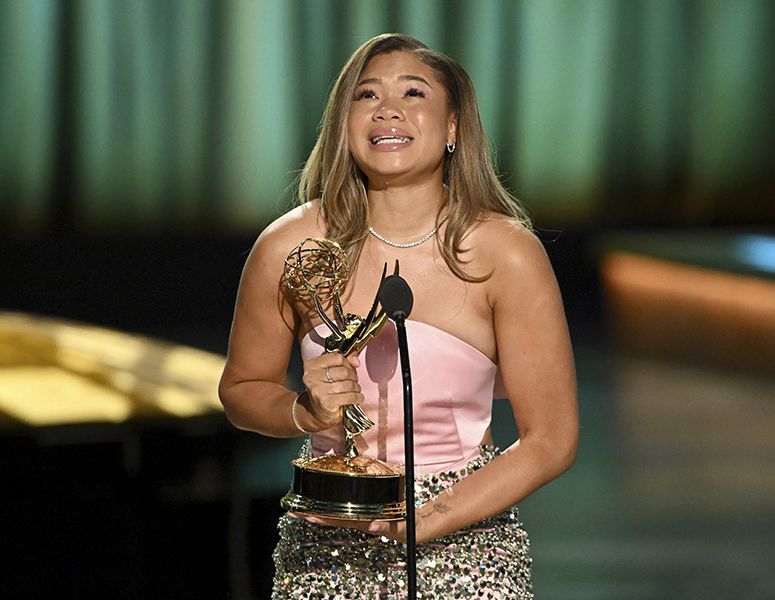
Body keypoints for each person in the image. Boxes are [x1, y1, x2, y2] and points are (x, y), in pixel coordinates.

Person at [219, 33, 578, 599]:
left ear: (454, 125)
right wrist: (304, 411)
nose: (388, 109)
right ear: (344, 124)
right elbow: (241, 389)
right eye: (367, 96)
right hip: (324, 544)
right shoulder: (289, 246)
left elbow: (551, 439)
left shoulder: (506, 253)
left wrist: (432, 518)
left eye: (413, 93)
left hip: (468, 544)